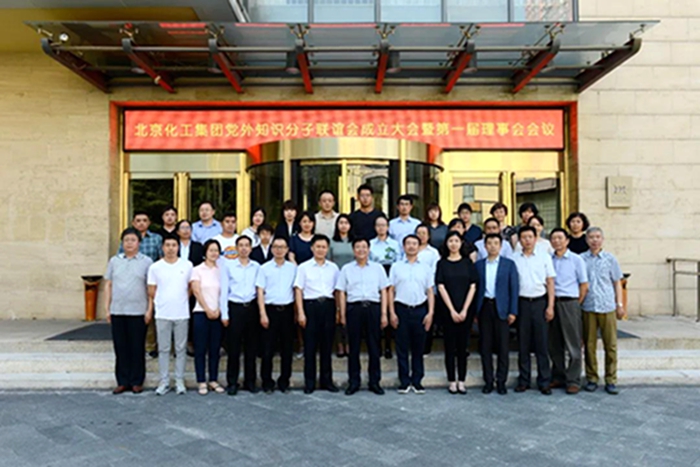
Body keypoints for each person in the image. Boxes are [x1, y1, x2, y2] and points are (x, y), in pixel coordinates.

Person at [336, 238, 390, 395]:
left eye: (364, 247)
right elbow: (341, 292)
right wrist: (342, 313)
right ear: (353, 250)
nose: (361, 250)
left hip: (373, 307)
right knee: (353, 347)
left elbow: (384, 291)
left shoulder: (378, 268)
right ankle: (354, 382)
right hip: (354, 308)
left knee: (374, 346)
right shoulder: (346, 269)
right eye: (358, 247)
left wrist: (384, 313)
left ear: (369, 249)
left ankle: (374, 382)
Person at [104, 228, 153, 395]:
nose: (129, 243)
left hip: (138, 311)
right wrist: (107, 308)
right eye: (126, 240)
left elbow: (150, 288)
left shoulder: (147, 262)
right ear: (122, 243)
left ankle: (137, 381)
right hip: (118, 310)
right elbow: (109, 285)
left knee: (137, 347)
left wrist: (149, 310)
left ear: (139, 243)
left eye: (133, 240)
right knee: (120, 347)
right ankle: (122, 381)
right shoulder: (114, 261)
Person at [147, 235, 193, 396]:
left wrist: (180, 299)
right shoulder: (155, 267)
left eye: (174, 245)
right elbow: (151, 290)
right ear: (163, 247)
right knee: (164, 348)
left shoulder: (187, 265)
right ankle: (164, 381)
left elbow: (191, 287)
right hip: (162, 313)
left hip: (181, 312)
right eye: (168, 245)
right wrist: (161, 302)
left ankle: (179, 380)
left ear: (178, 247)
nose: (171, 248)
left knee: (181, 349)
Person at [512, 226, 556, 396]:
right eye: (524, 237)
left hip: (540, 302)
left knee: (541, 344)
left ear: (535, 238)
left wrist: (550, 306)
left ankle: (544, 381)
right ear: (519, 240)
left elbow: (550, 282)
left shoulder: (544, 257)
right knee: (523, 344)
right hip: (522, 303)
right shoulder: (514, 258)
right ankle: (524, 380)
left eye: (530, 237)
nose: (527, 240)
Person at [388, 235, 435, 394]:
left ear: (419, 246)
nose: (411, 246)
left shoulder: (426, 268)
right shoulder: (396, 267)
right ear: (403, 247)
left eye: (414, 243)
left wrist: (430, 313)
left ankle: (417, 381)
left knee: (418, 348)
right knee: (401, 348)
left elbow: (430, 291)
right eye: (408, 243)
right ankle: (404, 381)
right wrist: (391, 312)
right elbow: (390, 290)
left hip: (420, 309)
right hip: (401, 309)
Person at [581, 227, 625, 395]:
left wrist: (619, 304)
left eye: (598, 237)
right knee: (589, 345)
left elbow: (617, 282)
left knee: (610, 345)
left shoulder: (610, 259)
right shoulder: (581, 259)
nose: (595, 240)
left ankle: (611, 379)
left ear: (602, 239)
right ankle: (592, 378)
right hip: (588, 306)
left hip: (607, 306)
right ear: (586, 240)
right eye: (591, 237)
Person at [294, 235, 340, 394]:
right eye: (318, 247)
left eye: (323, 247)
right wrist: (300, 312)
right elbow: (298, 290)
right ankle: (310, 382)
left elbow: (337, 291)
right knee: (310, 347)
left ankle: (327, 381)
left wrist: (338, 310)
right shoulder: (303, 267)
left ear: (327, 249)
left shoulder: (333, 268)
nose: (320, 250)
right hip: (310, 307)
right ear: (312, 248)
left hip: (328, 306)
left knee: (327, 346)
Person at [475, 234, 519, 395]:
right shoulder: (479, 265)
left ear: (501, 246)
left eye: (496, 243)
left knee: (503, 347)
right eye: (489, 243)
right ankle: (488, 381)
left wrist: (513, 311)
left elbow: (514, 289)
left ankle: (501, 381)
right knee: (485, 346)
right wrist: (475, 311)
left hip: (502, 309)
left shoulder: (509, 264)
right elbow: (475, 289)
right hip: (485, 307)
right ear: (485, 246)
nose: (492, 246)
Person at [436, 231, 478, 395]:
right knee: (449, 346)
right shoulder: (442, 264)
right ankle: (451, 381)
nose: (453, 244)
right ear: (446, 244)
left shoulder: (468, 263)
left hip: (466, 310)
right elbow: (440, 286)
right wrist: (452, 310)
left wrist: (465, 309)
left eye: (456, 241)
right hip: (448, 311)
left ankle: (462, 380)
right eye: (450, 241)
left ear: (461, 243)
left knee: (462, 347)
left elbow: (473, 286)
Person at [549, 228, 589, 394]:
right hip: (552, 303)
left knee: (573, 344)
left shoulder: (576, 259)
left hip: (570, 303)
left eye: (560, 238)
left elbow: (584, 285)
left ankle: (573, 380)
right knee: (554, 343)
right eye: (554, 238)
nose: (557, 241)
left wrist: (575, 303)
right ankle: (558, 376)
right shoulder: (548, 259)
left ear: (567, 241)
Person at [220, 236, 261, 395]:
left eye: (246, 245)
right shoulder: (228, 266)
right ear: (236, 248)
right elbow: (224, 291)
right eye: (241, 245)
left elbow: (259, 290)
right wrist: (225, 313)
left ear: (251, 248)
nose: (244, 248)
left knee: (251, 347)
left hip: (251, 308)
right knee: (234, 348)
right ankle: (232, 382)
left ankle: (250, 381)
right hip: (235, 308)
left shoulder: (256, 266)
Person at [257, 237, 297, 394]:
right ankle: (267, 381)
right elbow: (260, 291)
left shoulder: (293, 269)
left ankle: (284, 381)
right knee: (267, 349)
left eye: (282, 247)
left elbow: (296, 290)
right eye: (276, 247)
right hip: (270, 310)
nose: (279, 250)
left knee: (287, 349)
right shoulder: (264, 268)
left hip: (287, 311)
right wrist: (262, 314)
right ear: (272, 249)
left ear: (287, 250)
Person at [190, 239, 224, 396]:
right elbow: (196, 291)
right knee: (200, 348)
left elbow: (224, 292)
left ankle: (213, 380)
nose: (214, 253)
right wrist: (207, 309)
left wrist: (218, 309)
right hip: (201, 312)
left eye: (216, 250)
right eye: (211, 250)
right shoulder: (197, 269)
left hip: (217, 313)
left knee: (215, 348)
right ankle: (201, 380)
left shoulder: (222, 270)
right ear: (205, 252)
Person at [369, 214, 400, 359]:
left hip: (391, 273)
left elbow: (399, 261)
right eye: (378, 225)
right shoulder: (370, 244)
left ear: (388, 227)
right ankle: (377, 346)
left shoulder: (395, 244)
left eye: (383, 225)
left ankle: (388, 345)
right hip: (375, 275)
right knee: (378, 311)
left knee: (389, 309)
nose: (381, 228)